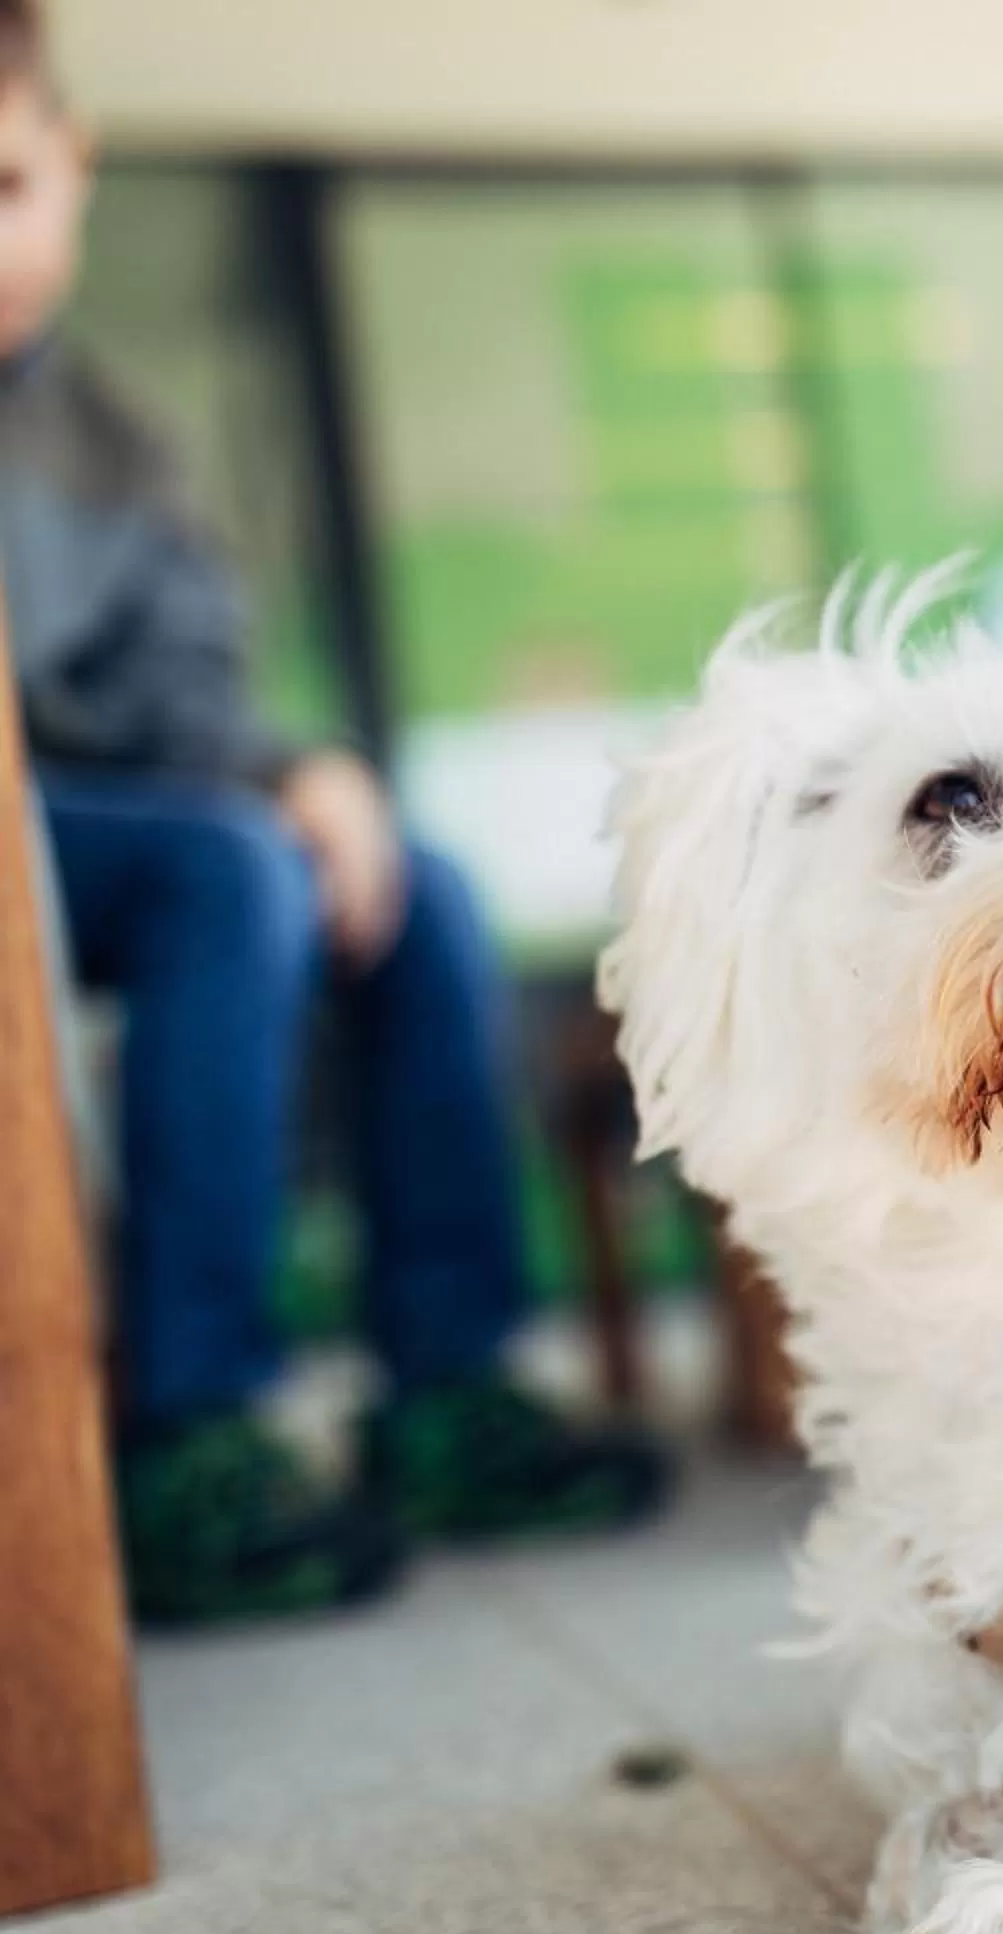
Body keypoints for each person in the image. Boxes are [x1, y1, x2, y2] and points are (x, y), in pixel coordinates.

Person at [0, 4, 666, 1627]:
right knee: (229, 874)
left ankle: (446, 1381)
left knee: (411, 879)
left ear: (74, 165)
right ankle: (192, 1425)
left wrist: (304, 771)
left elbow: (184, 694)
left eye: (6, 189)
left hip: (86, 828)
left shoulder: (108, 441)